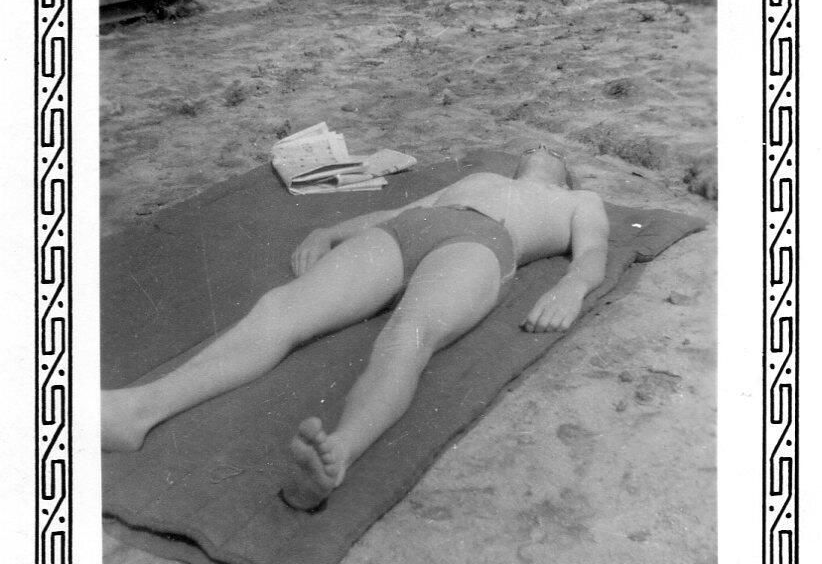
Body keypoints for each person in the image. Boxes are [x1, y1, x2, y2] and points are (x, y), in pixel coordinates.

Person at [101, 147, 610, 510]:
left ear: (565, 175)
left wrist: (571, 289)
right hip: (407, 231)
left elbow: (592, 253)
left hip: (481, 245)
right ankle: (136, 411)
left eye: (550, 149)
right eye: (533, 146)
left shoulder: (580, 201)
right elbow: (403, 210)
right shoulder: (481, 178)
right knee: (283, 307)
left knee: (406, 338)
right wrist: (329, 231)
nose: (539, 149)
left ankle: (336, 455)